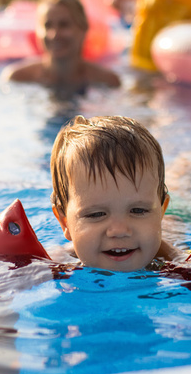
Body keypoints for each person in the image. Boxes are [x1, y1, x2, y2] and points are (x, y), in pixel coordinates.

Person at [50, 115, 182, 271]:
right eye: (96, 214)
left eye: (138, 210)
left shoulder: (177, 263)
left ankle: (185, 165)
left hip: (177, 219)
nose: (119, 231)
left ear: (161, 211)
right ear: (64, 222)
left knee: (181, 185)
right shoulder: (55, 261)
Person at [1, 0, 120, 99]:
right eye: (47, 26)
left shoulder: (107, 81)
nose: (54, 35)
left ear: (83, 29)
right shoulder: (19, 78)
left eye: (64, 25)